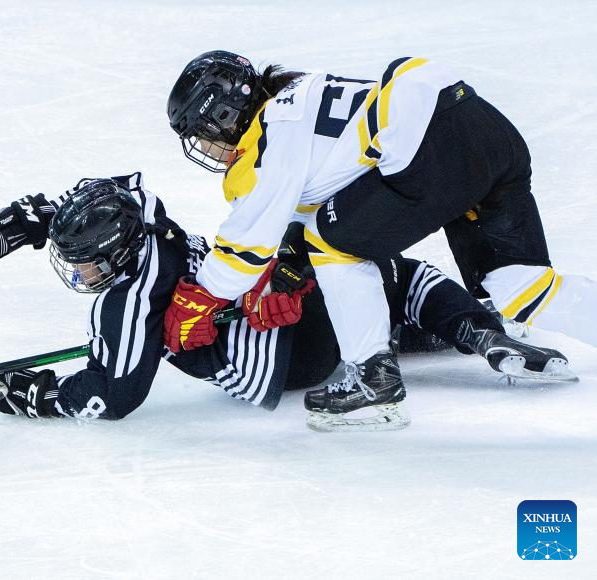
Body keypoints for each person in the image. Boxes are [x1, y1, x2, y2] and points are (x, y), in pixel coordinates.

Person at [163, 52, 594, 427]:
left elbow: (246, 249)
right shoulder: (300, 95)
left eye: (202, 133)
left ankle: (374, 382)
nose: (206, 146)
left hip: (426, 148)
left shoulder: (264, 142)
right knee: (523, 287)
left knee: (331, 244)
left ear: (224, 114)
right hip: (478, 122)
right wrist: (287, 276)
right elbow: (325, 203)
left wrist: (200, 297)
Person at [0, 173, 573, 430]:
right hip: (283, 312)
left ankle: (453, 332)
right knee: (390, 276)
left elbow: (111, 395)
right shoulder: (144, 217)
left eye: (88, 262)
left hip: (286, 363)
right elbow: (105, 194)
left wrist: (39, 397)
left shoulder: (125, 306)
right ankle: (476, 330)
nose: (81, 273)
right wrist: (33, 222)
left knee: (379, 290)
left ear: (117, 253)